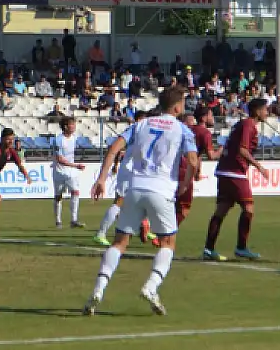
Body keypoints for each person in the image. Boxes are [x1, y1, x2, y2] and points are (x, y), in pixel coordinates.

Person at [83, 86, 197, 316]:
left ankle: (98, 290)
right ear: (176, 107)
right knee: (168, 243)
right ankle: (151, 286)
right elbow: (193, 161)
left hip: (135, 188)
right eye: (183, 102)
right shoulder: (183, 130)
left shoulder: (141, 124)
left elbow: (114, 148)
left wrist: (101, 179)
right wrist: (184, 184)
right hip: (161, 190)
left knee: (119, 243)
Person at [203, 98, 270, 262]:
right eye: (265, 109)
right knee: (248, 208)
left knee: (221, 210)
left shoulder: (243, 124)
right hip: (234, 171)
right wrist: (259, 167)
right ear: (257, 111)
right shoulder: (248, 125)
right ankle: (241, 247)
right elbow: (242, 150)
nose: (267, 113)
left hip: (225, 170)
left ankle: (209, 248)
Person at [93, 111, 155, 246]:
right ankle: (101, 233)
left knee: (146, 197)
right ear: (139, 119)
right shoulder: (135, 130)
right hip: (130, 170)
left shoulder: (146, 131)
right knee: (119, 201)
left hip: (138, 169)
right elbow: (115, 149)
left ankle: (143, 226)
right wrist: (114, 166)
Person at [175, 107, 220, 226]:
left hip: (176, 166)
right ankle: (164, 235)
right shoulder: (205, 133)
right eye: (211, 115)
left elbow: (196, 153)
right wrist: (223, 147)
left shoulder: (189, 129)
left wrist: (198, 171)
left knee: (173, 204)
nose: (212, 118)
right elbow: (211, 156)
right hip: (186, 169)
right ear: (204, 118)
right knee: (184, 209)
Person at [52, 116, 87, 228]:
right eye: (72, 124)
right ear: (66, 127)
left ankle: (74, 220)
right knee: (58, 196)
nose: (74, 126)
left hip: (71, 172)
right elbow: (59, 159)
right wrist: (76, 165)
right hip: (59, 171)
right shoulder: (58, 140)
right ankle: (58, 221)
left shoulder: (74, 138)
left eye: (74, 124)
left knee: (75, 192)